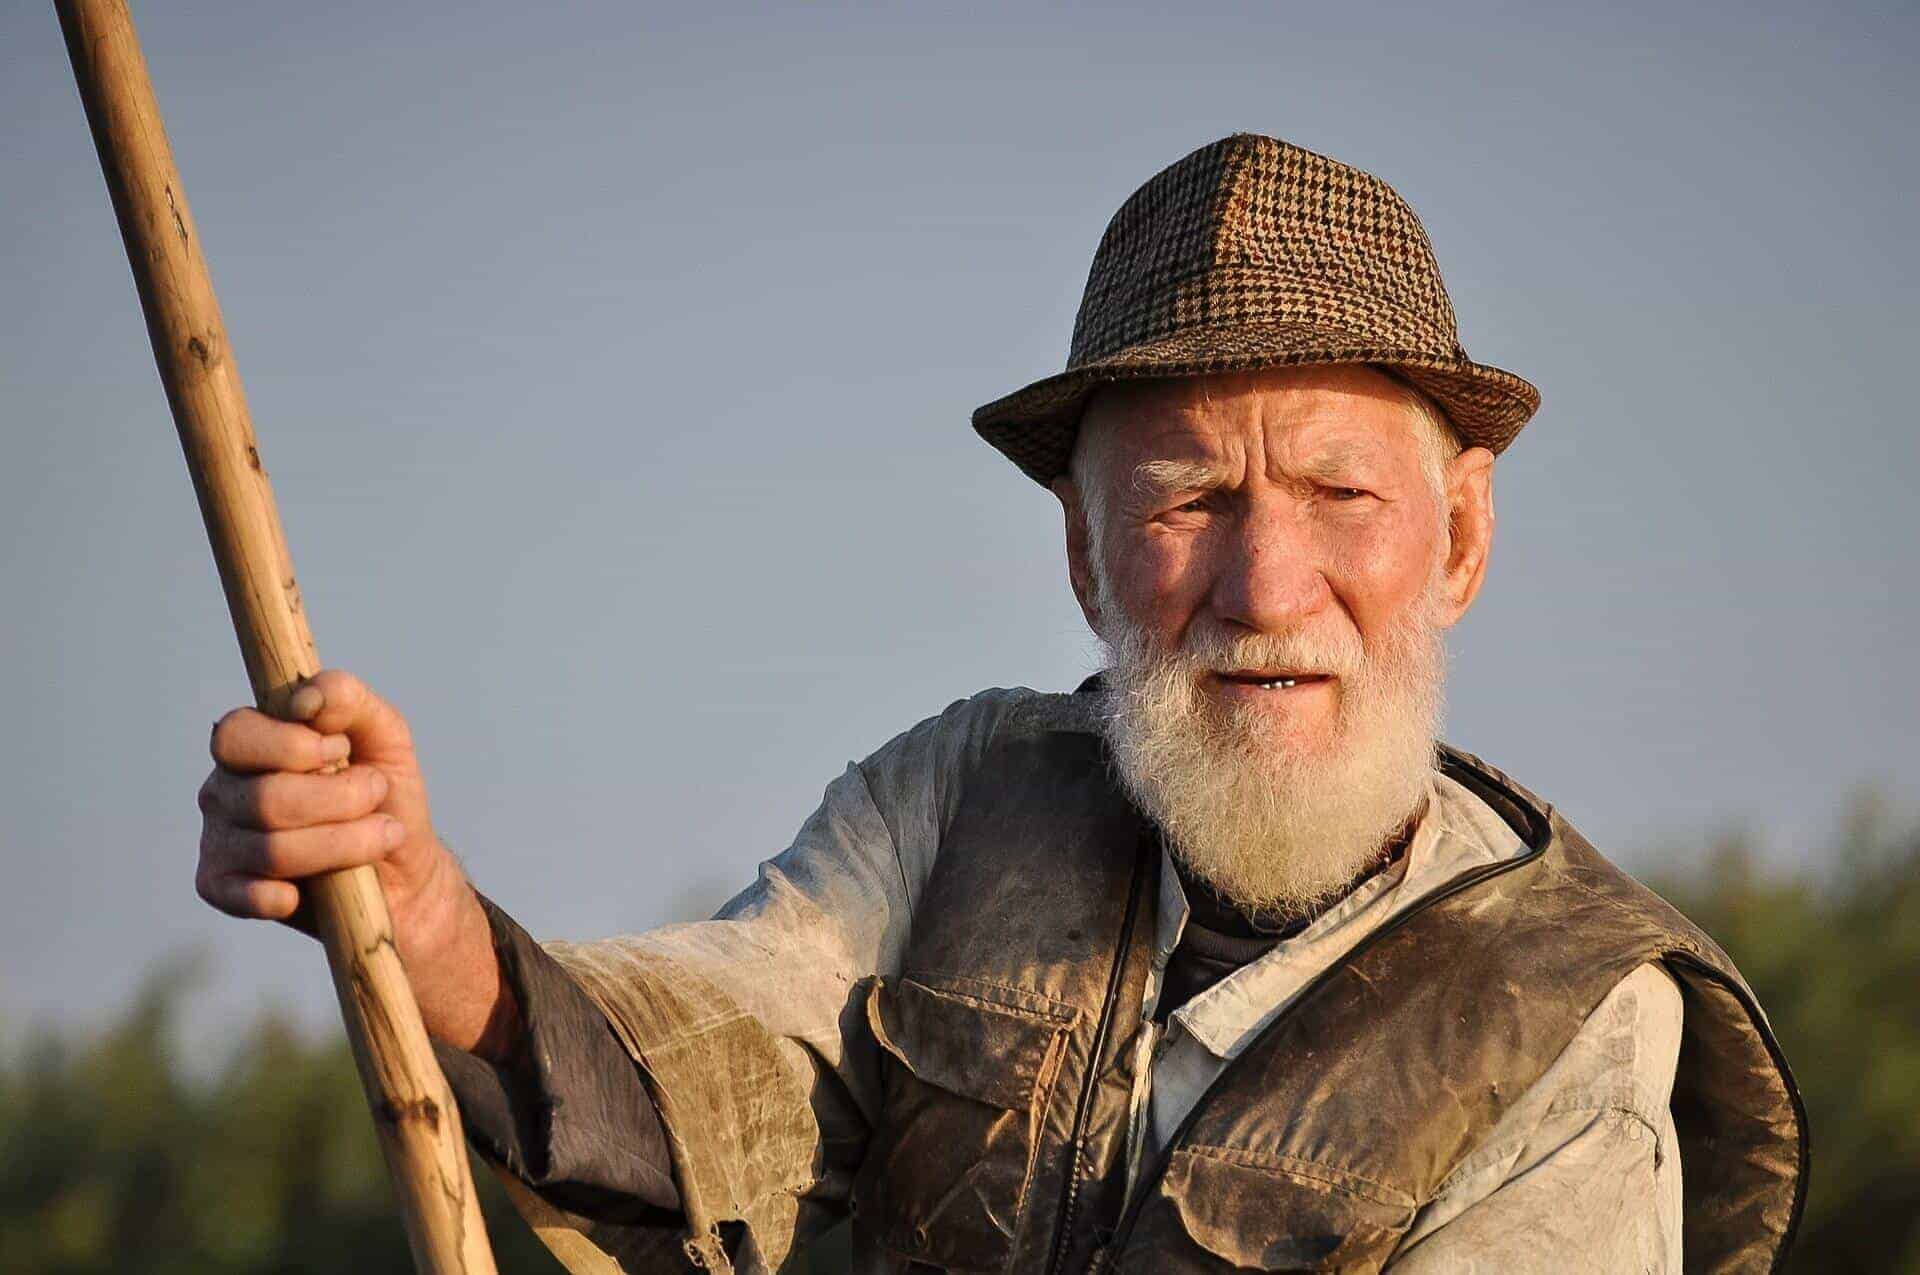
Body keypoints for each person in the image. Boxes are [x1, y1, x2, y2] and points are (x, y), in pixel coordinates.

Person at [192, 134, 1806, 1273]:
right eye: (1187, 503)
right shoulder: (963, 801)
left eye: (1338, 493)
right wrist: (420, 909)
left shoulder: (1580, 1020)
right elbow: (713, 1064)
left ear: (1458, 538)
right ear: (1086, 558)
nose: (1263, 586)